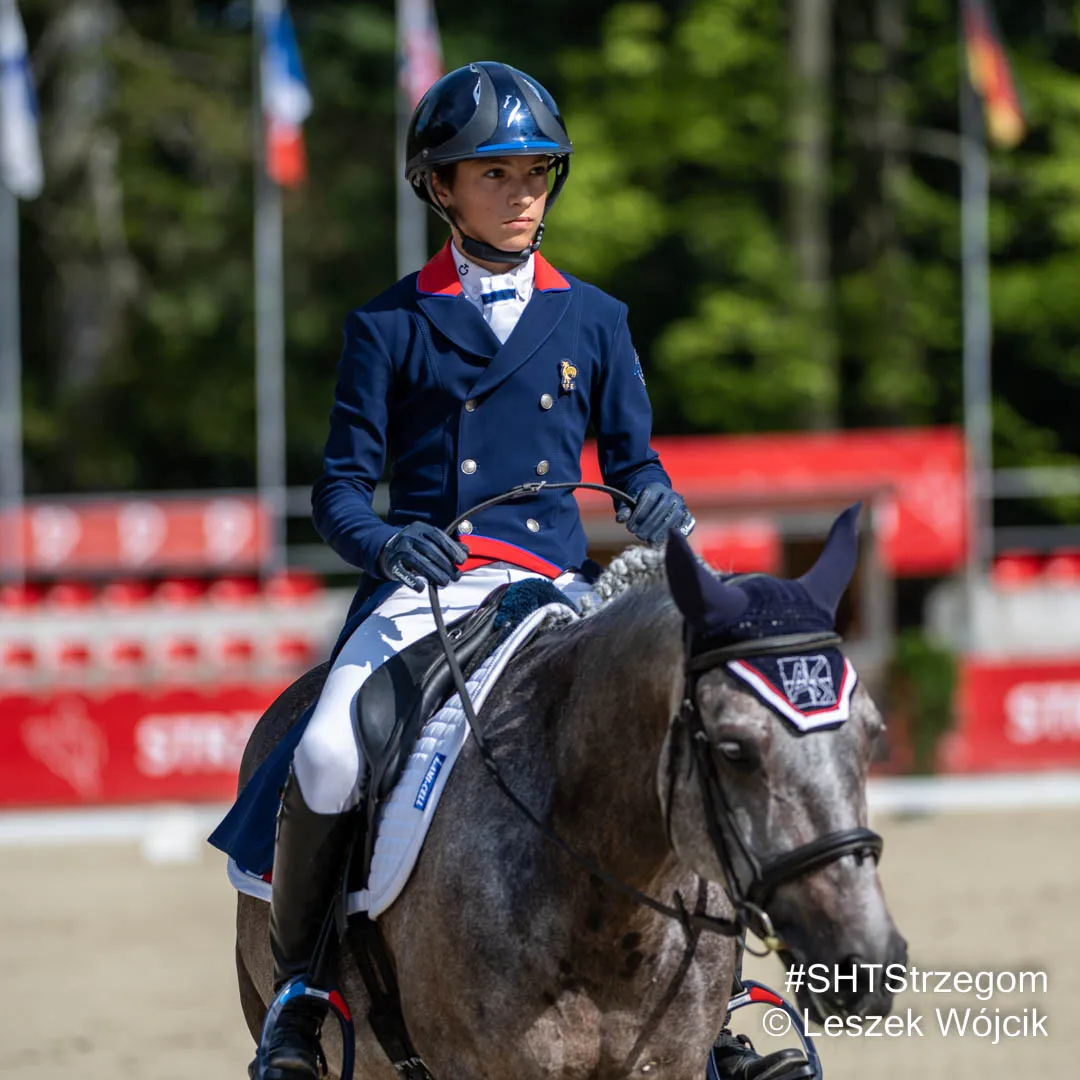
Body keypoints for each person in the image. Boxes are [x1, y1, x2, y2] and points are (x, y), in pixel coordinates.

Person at [260, 60, 797, 1080]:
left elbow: (634, 463)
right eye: (495, 175)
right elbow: (338, 491)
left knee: (672, 743)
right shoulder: (389, 324)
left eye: (537, 173)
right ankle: (301, 991)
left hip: (556, 594)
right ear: (441, 188)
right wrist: (384, 543)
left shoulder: (595, 318)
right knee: (329, 754)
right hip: (429, 587)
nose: (522, 195)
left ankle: (726, 1009)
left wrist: (656, 502)